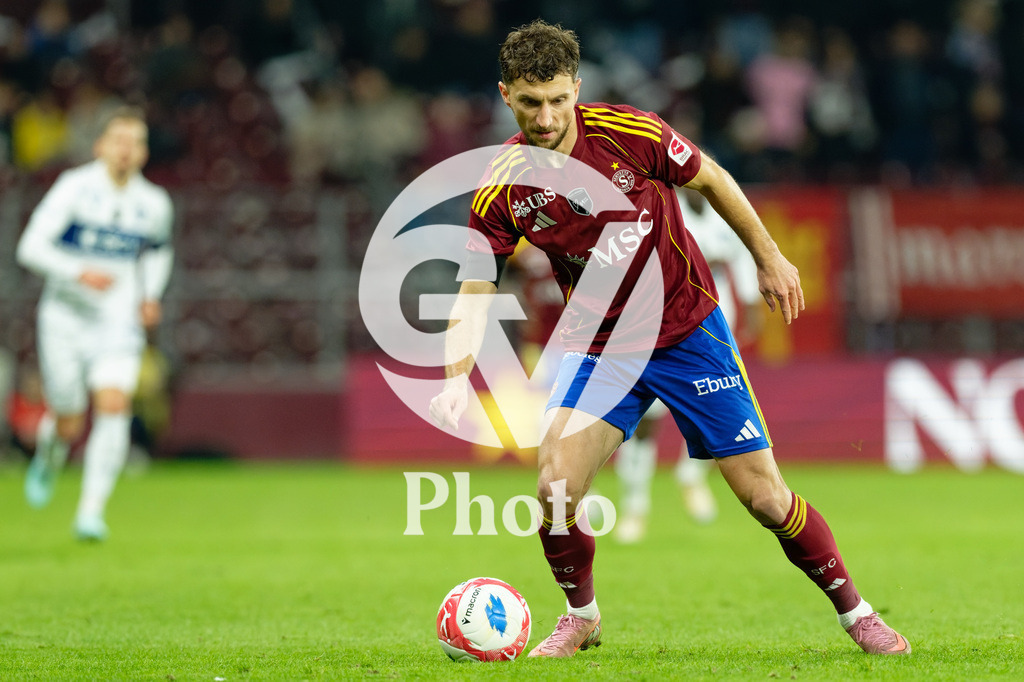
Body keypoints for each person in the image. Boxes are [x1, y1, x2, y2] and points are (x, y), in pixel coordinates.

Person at [429, 20, 909, 657]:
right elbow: (474, 288)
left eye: (558, 100)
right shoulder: (503, 186)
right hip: (600, 348)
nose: (546, 118)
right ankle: (581, 616)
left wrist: (768, 257)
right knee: (554, 488)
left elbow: (714, 180)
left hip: (687, 333)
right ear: (505, 96)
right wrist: (453, 375)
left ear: (577, 89)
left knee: (765, 498)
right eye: (530, 102)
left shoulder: (630, 133)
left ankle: (858, 614)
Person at [16, 106, 174, 541]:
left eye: (135, 142)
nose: (126, 150)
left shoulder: (154, 203)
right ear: (100, 146)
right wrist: (77, 272)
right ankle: (50, 452)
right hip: (65, 317)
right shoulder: (74, 188)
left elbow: (159, 252)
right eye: (118, 140)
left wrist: (150, 295)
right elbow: (30, 247)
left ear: (144, 153)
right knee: (69, 418)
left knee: (114, 404)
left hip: (117, 320)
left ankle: (91, 513)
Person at [614, 187, 764, 542]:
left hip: (714, 330)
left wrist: (751, 305)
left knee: (719, 411)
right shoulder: (662, 210)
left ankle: (691, 477)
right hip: (664, 329)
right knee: (647, 420)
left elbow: (743, 258)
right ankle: (635, 506)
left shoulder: (726, 213)